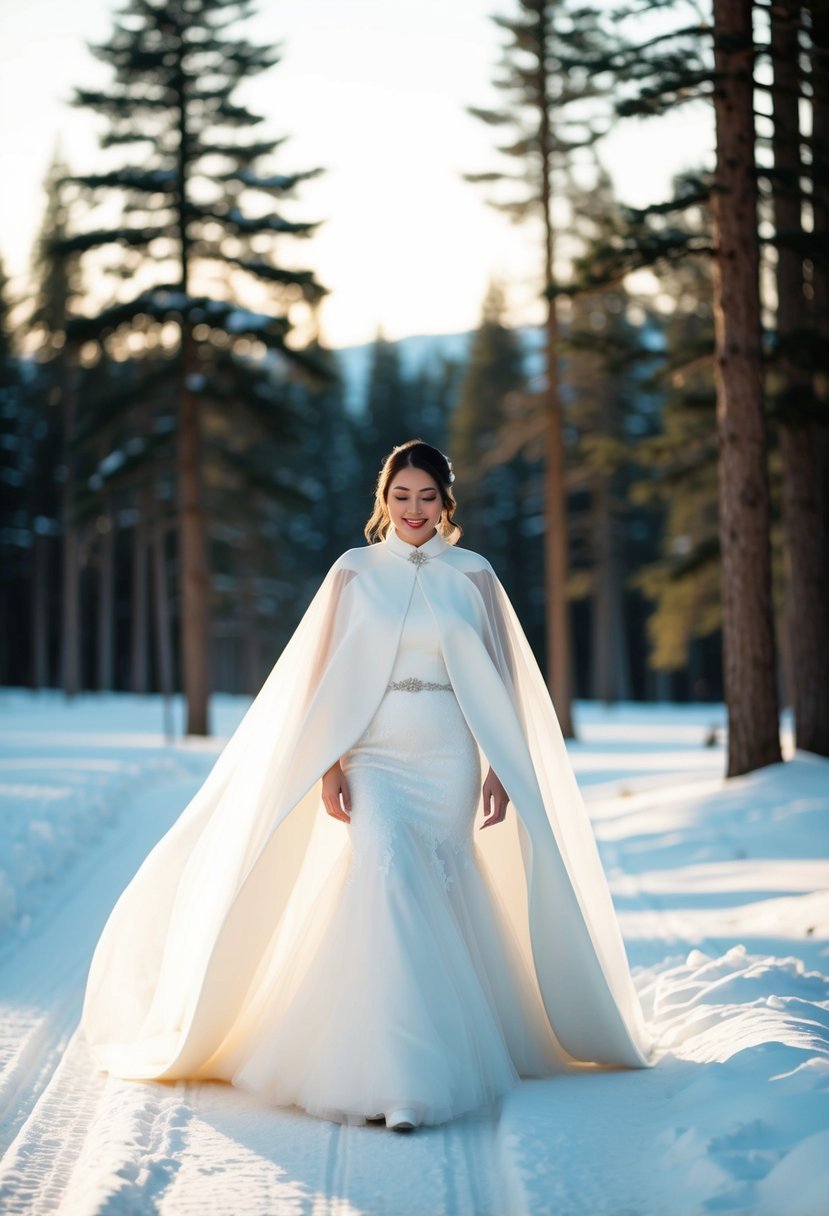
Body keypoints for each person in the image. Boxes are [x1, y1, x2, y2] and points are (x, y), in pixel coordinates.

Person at [82, 439, 652, 1134]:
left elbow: (502, 683)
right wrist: (329, 764)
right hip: (373, 755)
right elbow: (322, 682)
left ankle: (437, 1054)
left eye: (427, 497)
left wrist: (501, 766)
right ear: (383, 500)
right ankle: (398, 1080)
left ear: (446, 503)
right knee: (385, 878)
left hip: (447, 756)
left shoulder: (473, 576)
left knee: (437, 890)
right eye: (401, 496)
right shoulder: (353, 573)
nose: (414, 510)